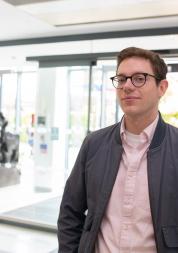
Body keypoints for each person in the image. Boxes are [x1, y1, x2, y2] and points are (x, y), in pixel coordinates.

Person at [57, 47, 178, 253]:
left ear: (162, 87)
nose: (127, 86)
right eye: (121, 79)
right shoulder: (94, 144)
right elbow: (70, 211)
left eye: (139, 78)